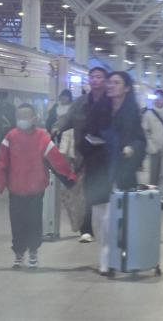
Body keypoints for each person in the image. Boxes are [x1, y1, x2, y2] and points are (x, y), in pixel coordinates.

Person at [0, 103, 77, 269]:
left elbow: (56, 160)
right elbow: (2, 161)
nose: (22, 120)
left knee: (34, 222)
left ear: (34, 118)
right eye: (19, 117)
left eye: (25, 117)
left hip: (35, 190)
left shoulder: (42, 138)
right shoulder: (10, 137)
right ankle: (19, 253)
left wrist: (70, 177)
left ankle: (33, 251)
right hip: (15, 189)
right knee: (17, 222)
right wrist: (0, 181)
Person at [86, 72, 146, 275]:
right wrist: (93, 145)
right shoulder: (98, 109)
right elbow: (85, 135)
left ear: (127, 88)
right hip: (100, 169)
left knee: (114, 218)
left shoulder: (132, 112)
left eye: (116, 82)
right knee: (100, 218)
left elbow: (140, 139)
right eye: (109, 82)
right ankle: (106, 256)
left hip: (121, 170)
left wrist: (132, 148)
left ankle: (110, 259)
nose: (110, 85)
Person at [52, 67, 111, 243]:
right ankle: (86, 229)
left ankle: (105, 226)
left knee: (104, 192)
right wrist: (57, 127)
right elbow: (68, 118)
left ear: (105, 81)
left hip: (106, 155)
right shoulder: (81, 103)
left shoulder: (111, 102)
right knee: (85, 191)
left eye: (99, 77)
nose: (94, 80)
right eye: (92, 77)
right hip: (84, 154)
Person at [46, 89, 75, 159]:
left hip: (68, 135)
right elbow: (49, 120)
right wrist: (51, 129)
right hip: (55, 134)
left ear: (70, 98)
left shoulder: (73, 108)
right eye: (63, 96)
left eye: (66, 96)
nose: (64, 98)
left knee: (67, 156)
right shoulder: (55, 107)